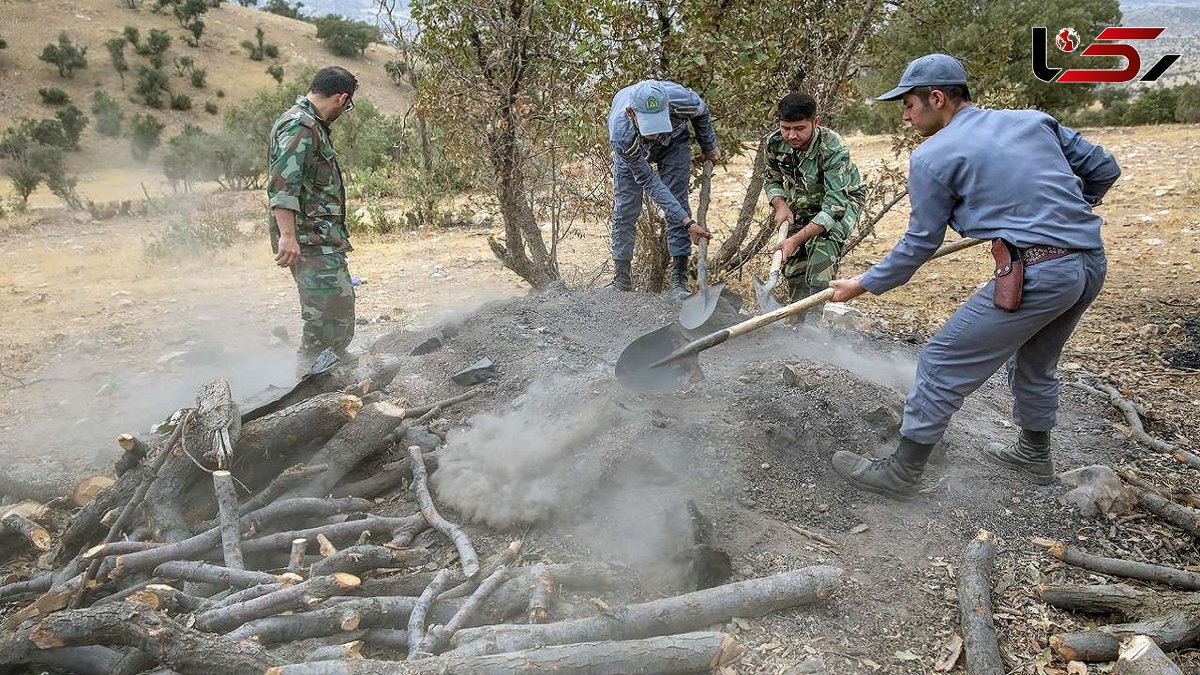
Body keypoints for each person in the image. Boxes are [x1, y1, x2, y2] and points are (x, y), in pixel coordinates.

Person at [826, 54, 1120, 500]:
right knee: (1036, 361)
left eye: (908, 104)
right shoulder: (1034, 120)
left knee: (941, 360)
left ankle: (902, 473)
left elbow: (920, 242)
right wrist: (1064, 213)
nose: (905, 116)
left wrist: (864, 283)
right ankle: (1033, 455)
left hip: (1039, 271)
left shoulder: (932, 156)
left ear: (937, 98)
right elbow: (1104, 169)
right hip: (1088, 263)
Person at [267, 66, 358, 377]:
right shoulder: (300, 126)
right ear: (341, 98)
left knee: (337, 308)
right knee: (323, 314)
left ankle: (332, 370)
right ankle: (309, 378)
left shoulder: (309, 124)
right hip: (308, 239)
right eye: (347, 106)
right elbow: (282, 185)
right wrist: (287, 236)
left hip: (320, 237)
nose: (344, 111)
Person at [607, 80, 720, 297]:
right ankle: (621, 279)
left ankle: (679, 281)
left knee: (678, 200)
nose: (656, 134)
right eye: (651, 127)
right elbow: (649, 181)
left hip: (675, 143)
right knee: (626, 208)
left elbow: (702, 112)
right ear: (632, 113)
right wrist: (688, 223)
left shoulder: (682, 101)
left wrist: (709, 146)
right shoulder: (621, 132)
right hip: (633, 147)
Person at [763, 92, 867, 318]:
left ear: (815, 122)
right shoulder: (773, 143)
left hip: (841, 203)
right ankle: (798, 321)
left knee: (822, 256)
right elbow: (771, 178)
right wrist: (780, 204)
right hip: (801, 202)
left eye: (800, 128)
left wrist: (796, 238)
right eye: (785, 128)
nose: (791, 135)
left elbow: (834, 207)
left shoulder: (832, 147)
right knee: (792, 268)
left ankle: (813, 327)